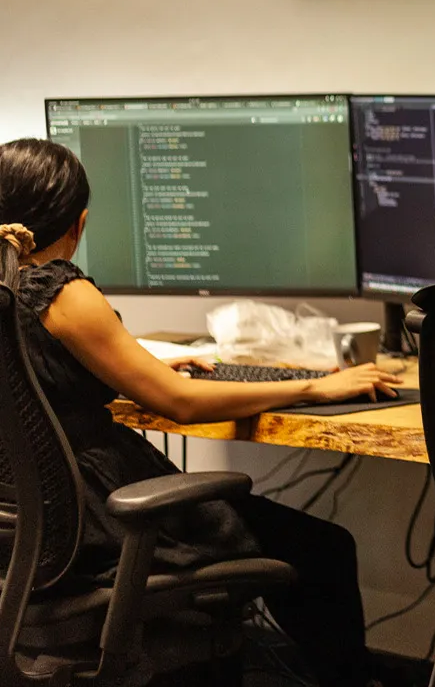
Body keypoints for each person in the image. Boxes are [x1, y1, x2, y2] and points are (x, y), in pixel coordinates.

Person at [0, 139, 402, 687]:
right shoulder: (64, 295)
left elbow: (38, 365)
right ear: (79, 223)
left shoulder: (10, 295)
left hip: (34, 539)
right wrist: (319, 386)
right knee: (323, 548)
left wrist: (131, 354)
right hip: (103, 525)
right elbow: (180, 402)